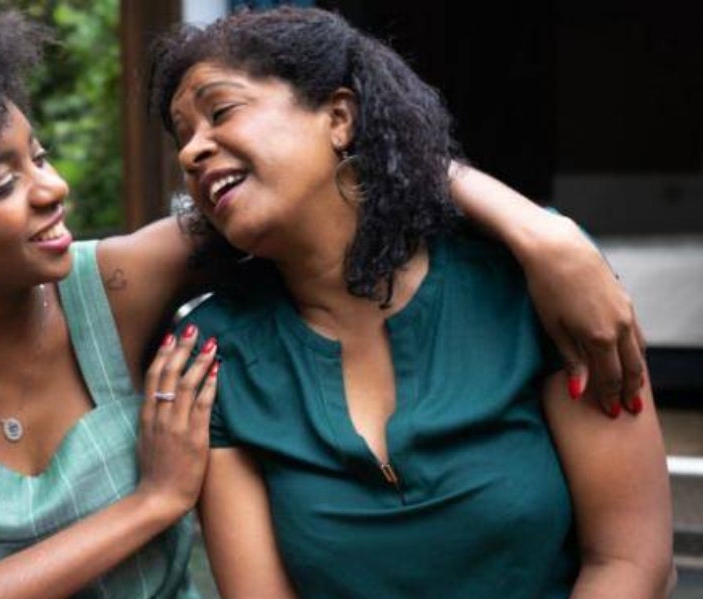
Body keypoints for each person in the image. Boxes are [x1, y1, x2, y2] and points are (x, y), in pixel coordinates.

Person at [0, 2, 651, 598]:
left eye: (42, 156)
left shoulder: (120, 284)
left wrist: (545, 233)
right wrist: (151, 501)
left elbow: (337, 183)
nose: (50, 190)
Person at [152, 7, 672, 599]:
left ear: (339, 118)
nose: (192, 151)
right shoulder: (219, 355)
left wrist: (545, 236)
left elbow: (631, 561)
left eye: (220, 112)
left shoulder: (526, 280)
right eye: (182, 136)